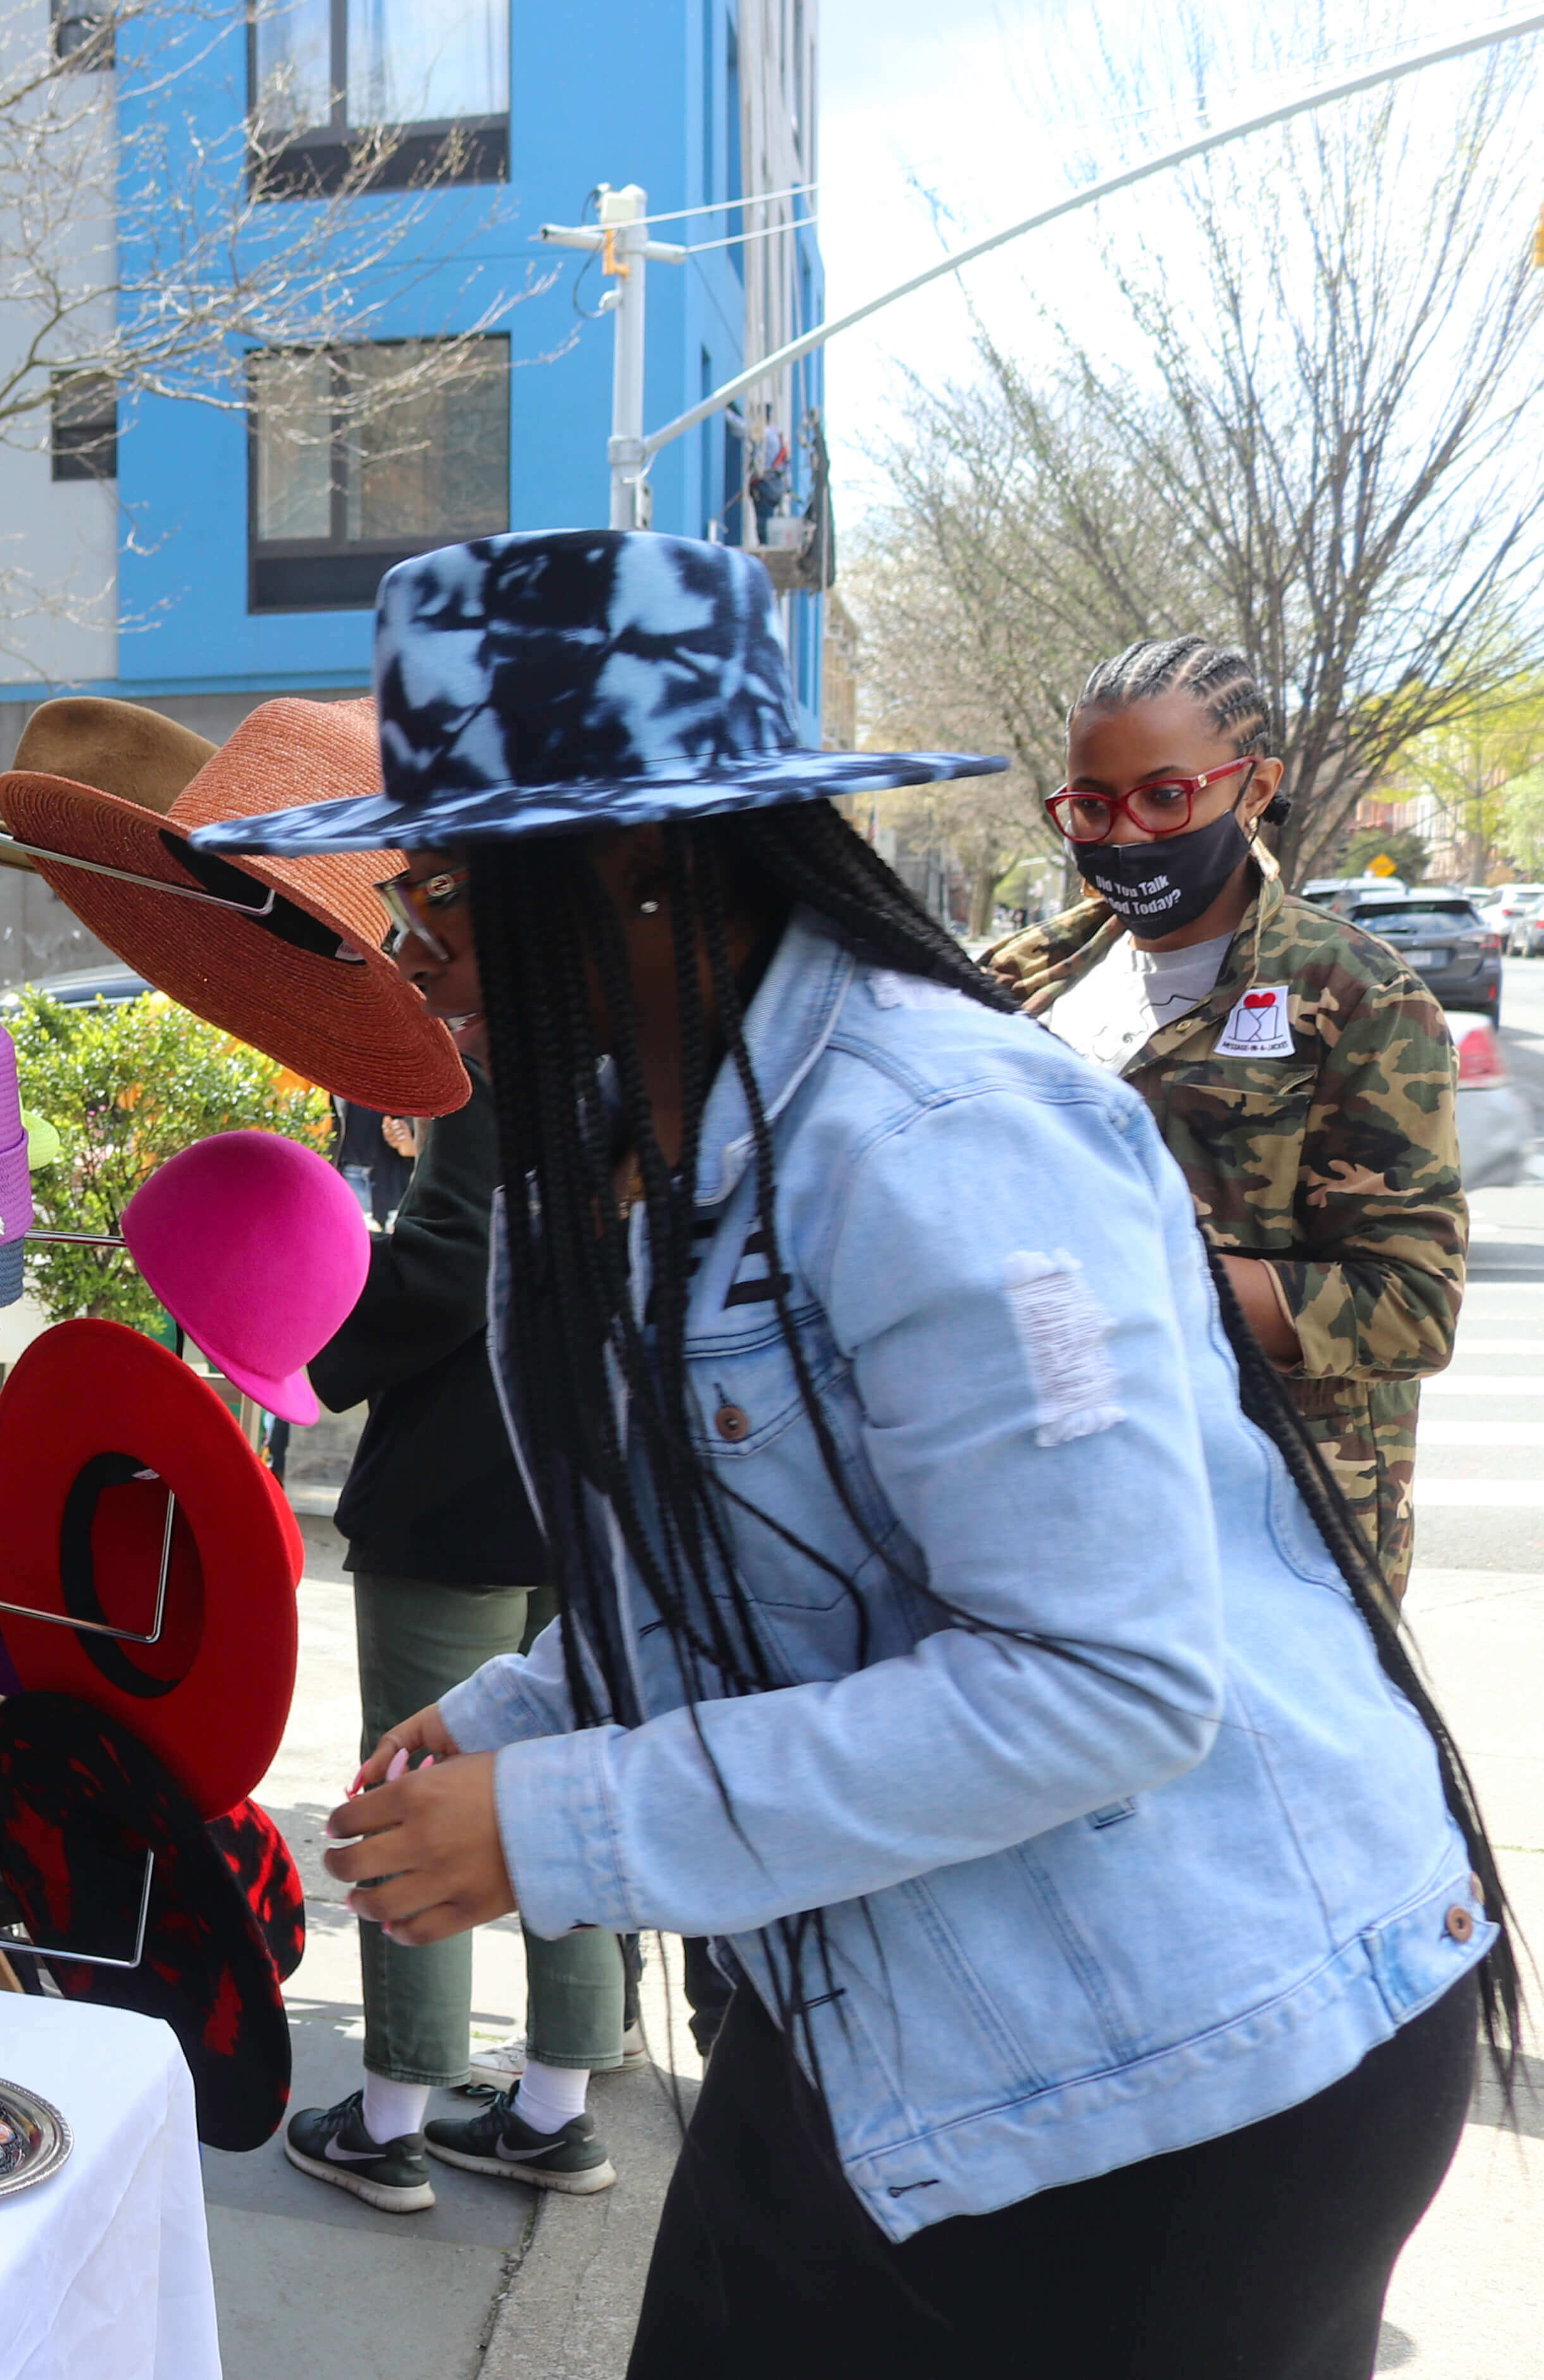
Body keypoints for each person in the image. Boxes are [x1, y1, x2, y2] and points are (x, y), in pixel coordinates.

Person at [202, 533, 1508, 2378]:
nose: (415, 956)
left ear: (632, 865)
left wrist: (563, 1824)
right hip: (913, 2002)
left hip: (1201, 2056)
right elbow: (765, 1576)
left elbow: (1099, 1687)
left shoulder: (929, 1137)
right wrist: (520, 1718)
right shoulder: (641, 1134)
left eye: (437, 893)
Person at [984, 639, 1463, 1592]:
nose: (1126, 835)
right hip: (1057, 1510)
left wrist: (1139, 1271)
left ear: (1254, 788)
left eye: (1167, 796)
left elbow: (1412, 1307)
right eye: (1092, 805)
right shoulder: (1018, 982)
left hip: (1271, 1534)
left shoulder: (1360, 997)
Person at [282, 1046, 629, 2214]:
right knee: (568, 1783)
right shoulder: (656, 1036)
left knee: (409, 1790)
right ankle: (551, 2108)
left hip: (461, 1479)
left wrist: (294, 1301)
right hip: (599, 1483)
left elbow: (449, 1263)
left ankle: (388, 2123)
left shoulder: (494, 1055)